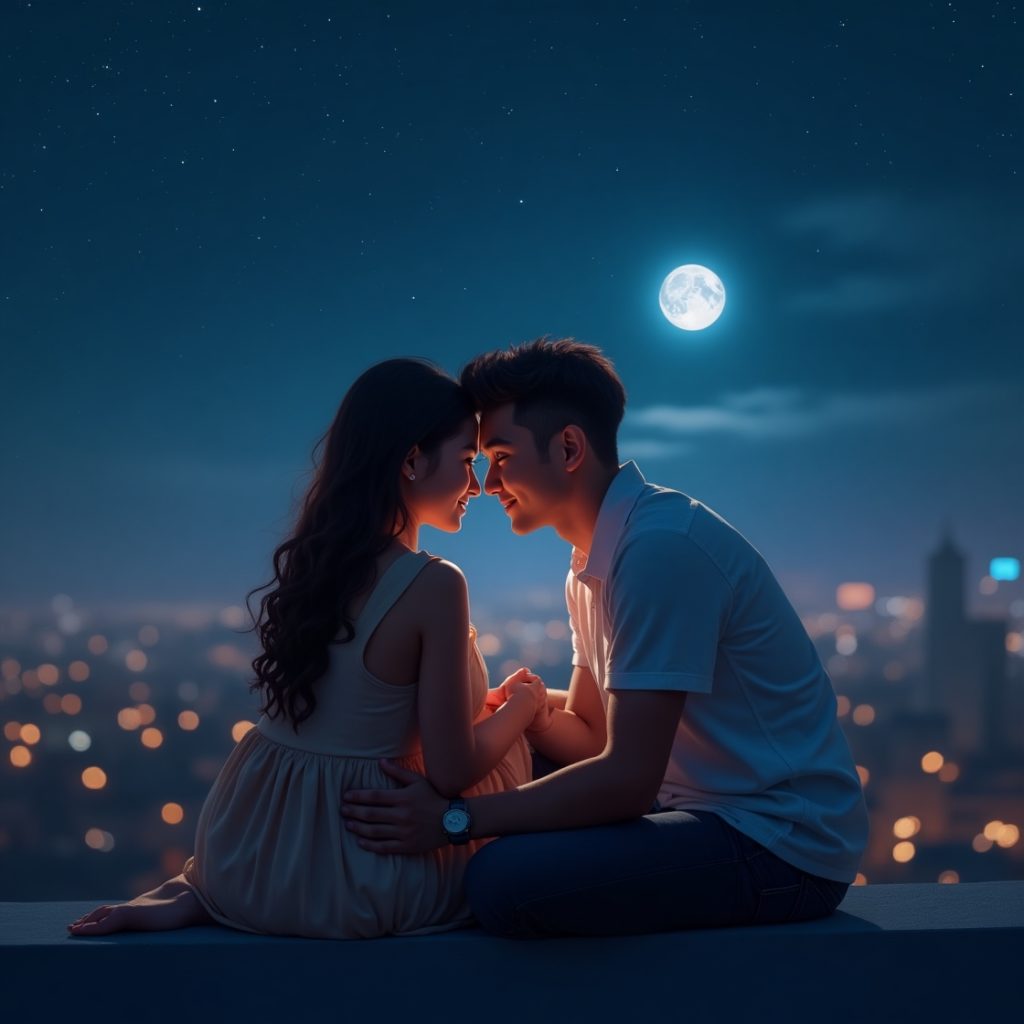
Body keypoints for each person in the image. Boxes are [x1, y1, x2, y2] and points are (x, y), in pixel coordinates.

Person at [343, 338, 869, 938]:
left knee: (502, 882)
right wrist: (530, 711)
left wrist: (454, 821)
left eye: (502, 456)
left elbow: (625, 778)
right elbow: (593, 735)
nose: (488, 484)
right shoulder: (594, 559)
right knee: (501, 760)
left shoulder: (660, 550)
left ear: (568, 447)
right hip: (693, 810)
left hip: (775, 841)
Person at [68, 358, 546, 939]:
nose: (476, 486)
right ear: (412, 460)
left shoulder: (318, 563)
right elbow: (450, 773)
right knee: (553, 775)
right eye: (467, 462)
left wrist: (202, 885)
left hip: (255, 859)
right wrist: (523, 706)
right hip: (358, 869)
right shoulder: (435, 584)